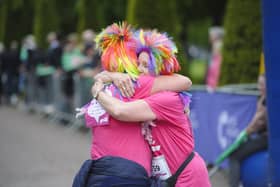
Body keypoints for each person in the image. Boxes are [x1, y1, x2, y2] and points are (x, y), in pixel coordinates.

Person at [72, 23, 192, 187]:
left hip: (100, 172)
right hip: (126, 174)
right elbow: (185, 81)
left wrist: (104, 80)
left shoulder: (105, 87)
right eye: (138, 61)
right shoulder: (134, 84)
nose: (140, 67)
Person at [228, 74, 268, 187]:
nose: (259, 87)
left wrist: (246, 132)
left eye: (262, 84)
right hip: (264, 136)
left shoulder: (267, 100)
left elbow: (257, 122)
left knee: (234, 155)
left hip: (267, 139)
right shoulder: (264, 98)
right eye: (259, 84)